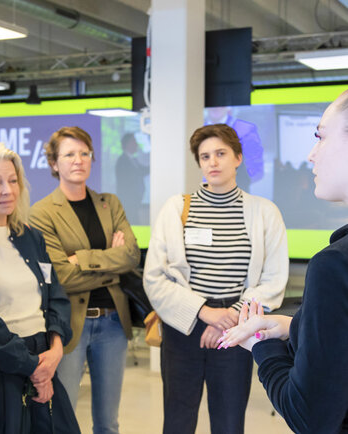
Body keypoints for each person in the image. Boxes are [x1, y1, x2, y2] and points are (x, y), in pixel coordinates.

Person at [143, 123, 289, 434]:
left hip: (238, 328)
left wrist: (231, 317)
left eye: (221, 153)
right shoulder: (176, 209)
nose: (213, 162)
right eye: (205, 155)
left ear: (237, 157)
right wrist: (205, 313)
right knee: (178, 421)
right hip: (183, 326)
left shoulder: (265, 212)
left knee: (229, 421)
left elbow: (274, 279)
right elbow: (155, 277)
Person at [218, 91, 348, 433]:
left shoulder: (334, 266)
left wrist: (264, 349)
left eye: (321, 137)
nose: (311, 154)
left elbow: (310, 417)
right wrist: (296, 326)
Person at [29, 126, 141, 434]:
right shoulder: (41, 213)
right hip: (69, 327)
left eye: (84, 153)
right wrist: (110, 261)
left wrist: (84, 259)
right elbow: (61, 277)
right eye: (69, 154)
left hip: (113, 325)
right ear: (54, 163)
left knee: (108, 422)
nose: (78, 160)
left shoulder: (110, 203)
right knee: (62, 417)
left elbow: (131, 255)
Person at [0, 143, 80, 434]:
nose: (7, 190)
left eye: (12, 180)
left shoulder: (30, 237)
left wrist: (55, 350)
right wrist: (33, 367)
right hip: (7, 365)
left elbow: (55, 296)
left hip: (43, 355)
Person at [115, 132, 150, 224]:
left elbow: (142, 171)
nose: (136, 144)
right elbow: (125, 182)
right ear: (128, 143)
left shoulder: (133, 159)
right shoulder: (122, 160)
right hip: (128, 202)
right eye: (134, 141)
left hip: (134, 201)